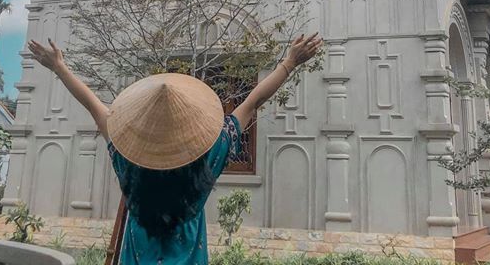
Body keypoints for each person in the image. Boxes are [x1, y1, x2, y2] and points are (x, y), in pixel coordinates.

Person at [28, 32, 322, 265]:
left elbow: (93, 105)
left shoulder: (126, 157)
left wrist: (59, 67)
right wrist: (289, 63)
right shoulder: (212, 153)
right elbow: (252, 103)